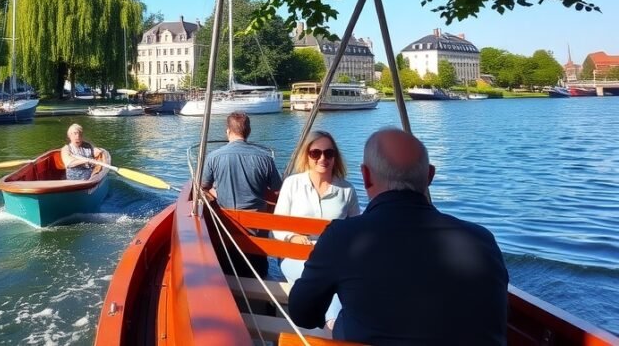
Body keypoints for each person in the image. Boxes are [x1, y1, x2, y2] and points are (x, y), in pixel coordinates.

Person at [288, 128, 509, 344]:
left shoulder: (342, 238)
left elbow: (302, 314)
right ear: (430, 175)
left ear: (365, 177)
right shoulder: (483, 240)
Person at [272, 130, 360, 332]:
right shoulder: (292, 184)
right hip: (295, 255)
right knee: (324, 278)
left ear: (335, 156)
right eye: (316, 153)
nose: (323, 158)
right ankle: (333, 325)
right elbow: (277, 224)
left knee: (329, 276)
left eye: (329, 153)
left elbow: (356, 230)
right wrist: (292, 237)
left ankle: (331, 326)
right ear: (307, 155)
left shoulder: (346, 190)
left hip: (331, 258)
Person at [202, 111, 281, 276]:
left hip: (226, 225)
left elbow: (203, 187)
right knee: (258, 268)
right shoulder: (266, 159)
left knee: (228, 262)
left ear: (228, 131)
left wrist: (214, 192)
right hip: (258, 227)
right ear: (248, 132)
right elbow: (277, 191)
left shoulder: (213, 157)